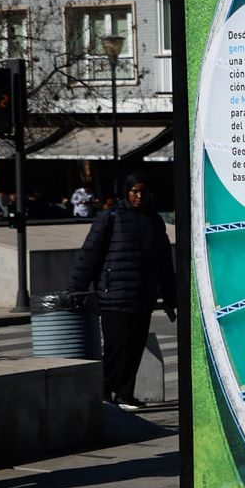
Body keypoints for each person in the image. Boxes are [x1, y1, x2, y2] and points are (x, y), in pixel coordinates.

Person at [68, 174, 177, 408]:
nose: (139, 196)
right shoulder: (110, 217)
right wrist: (75, 290)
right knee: (117, 346)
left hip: (143, 295)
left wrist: (171, 296)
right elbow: (89, 255)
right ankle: (104, 391)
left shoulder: (154, 221)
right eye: (134, 191)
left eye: (143, 191)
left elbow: (164, 262)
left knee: (135, 348)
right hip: (114, 295)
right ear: (126, 192)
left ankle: (125, 394)